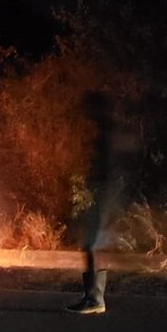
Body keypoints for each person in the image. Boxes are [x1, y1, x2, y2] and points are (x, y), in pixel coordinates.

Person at [66, 92, 133, 315]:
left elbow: (111, 166)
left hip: (107, 191)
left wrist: (102, 187)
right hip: (106, 191)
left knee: (93, 243)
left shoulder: (108, 132)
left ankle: (95, 299)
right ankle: (92, 296)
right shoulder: (107, 131)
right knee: (92, 242)